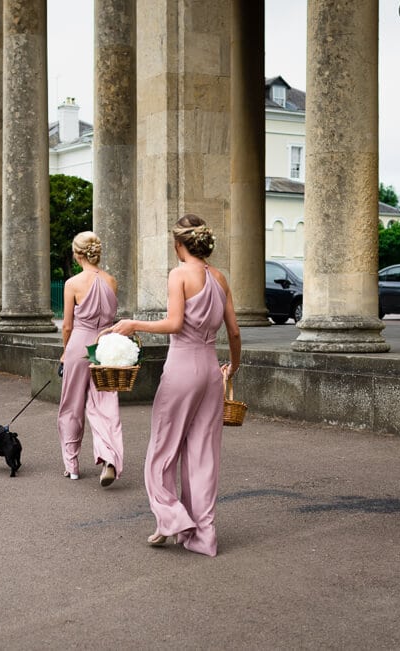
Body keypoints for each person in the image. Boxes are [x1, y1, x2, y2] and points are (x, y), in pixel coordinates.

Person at [111, 214, 242, 556]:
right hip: (212, 369)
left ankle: (172, 519)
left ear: (179, 244)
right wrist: (234, 367)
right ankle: (203, 536)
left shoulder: (180, 274)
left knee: (162, 451)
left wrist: (132, 323)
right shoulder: (220, 278)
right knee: (203, 455)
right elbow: (235, 331)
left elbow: (174, 323)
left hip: (183, 367)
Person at [57, 231, 124, 486]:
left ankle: (72, 465)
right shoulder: (111, 281)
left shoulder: (73, 283)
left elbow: (66, 326)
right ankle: (109, 458)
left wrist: (65, 352)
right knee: (106, 405)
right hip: (105, 347)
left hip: (78, 345)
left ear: (77, 254)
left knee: (71, 406)